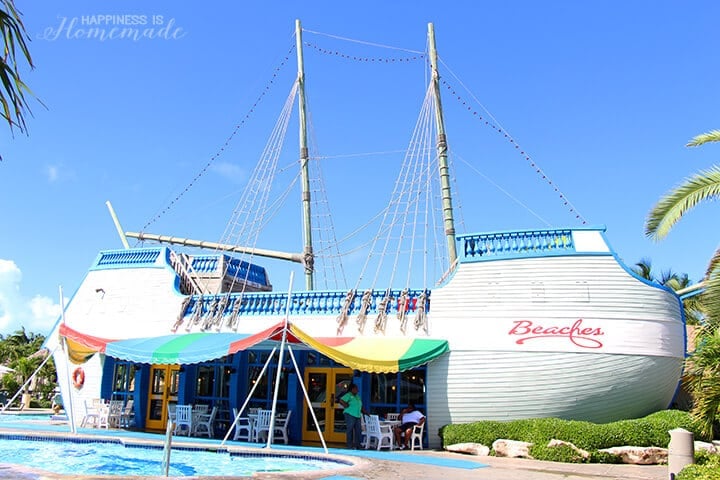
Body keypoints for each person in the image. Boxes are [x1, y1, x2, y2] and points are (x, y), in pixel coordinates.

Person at [337, 383, 368, 449]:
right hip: (350, 414)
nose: (357, 390)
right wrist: (346, 405)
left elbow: (360, 406)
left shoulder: (357, 396)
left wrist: (365, 412)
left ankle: (358, 445)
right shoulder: (348, 395)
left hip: (357, 415)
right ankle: (349, 445)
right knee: (350, 429)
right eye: (356, 389)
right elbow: (341, 400)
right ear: (352, 389)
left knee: (358, 430)